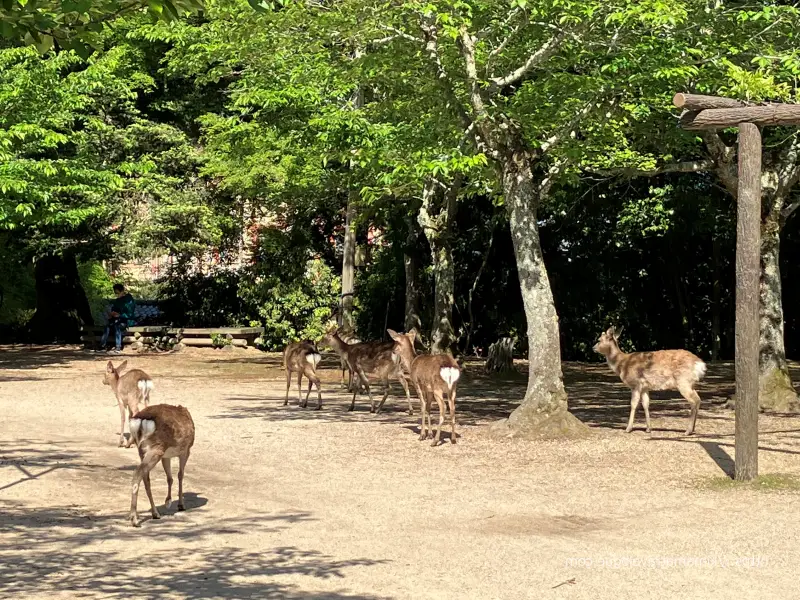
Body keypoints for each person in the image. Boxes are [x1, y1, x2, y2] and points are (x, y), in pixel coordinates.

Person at [99, 284, 136, 353]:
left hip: (126, 321)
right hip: (116, 320)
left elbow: (130, 314)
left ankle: (118, 347)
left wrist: (120, 315)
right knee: (107, 326)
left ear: (122, 291)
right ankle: (102, 346)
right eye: (115, 293)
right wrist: (112, 314)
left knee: (117, 326)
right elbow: (114, 310)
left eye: (118, 293)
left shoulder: (129, 300)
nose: (117, 295)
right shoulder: (117, 301)